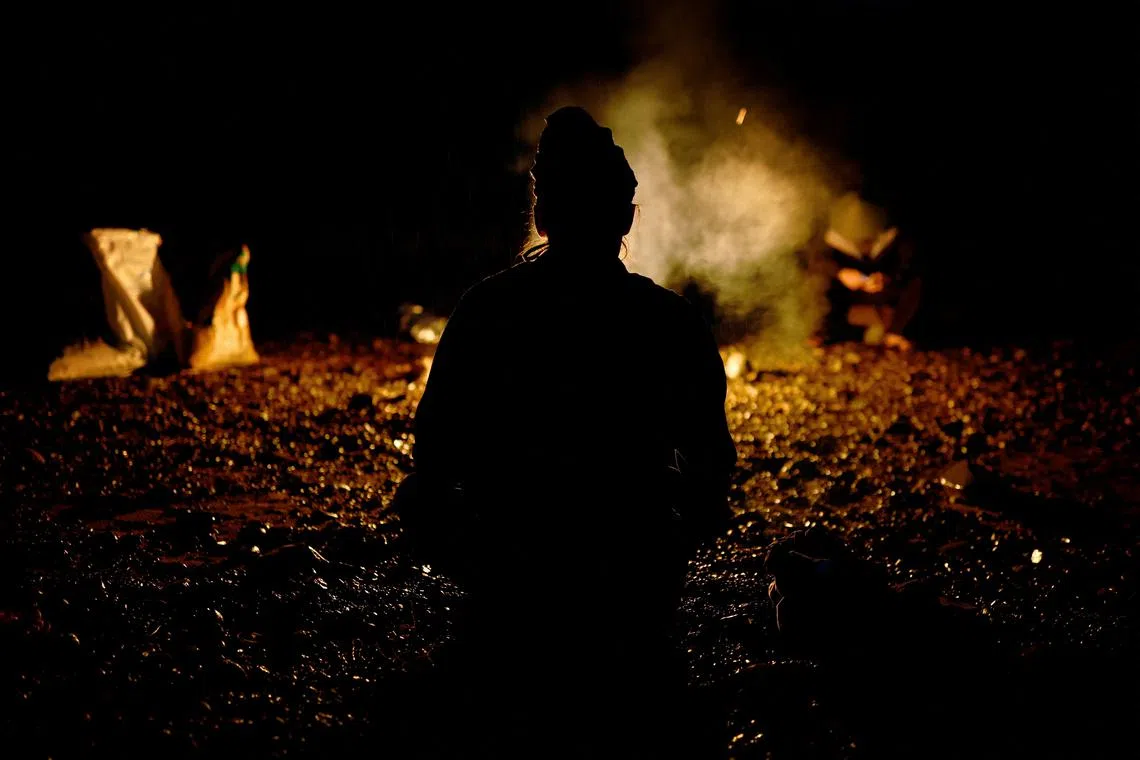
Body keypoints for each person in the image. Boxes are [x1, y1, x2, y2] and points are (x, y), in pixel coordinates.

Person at [397, 106, 736, 758]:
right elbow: (711, 461)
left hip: (511, 562)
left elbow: (434, 451)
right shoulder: (669, 321)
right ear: (627, 218)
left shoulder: (486, 310)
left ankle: (505, 636)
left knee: (418, 494)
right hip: (628, 568)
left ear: (542, 217)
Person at [808, 192, 922, 350]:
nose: (863, 245)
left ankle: (895, 333)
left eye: (867, 239)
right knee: (815, 280)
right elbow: (814, 260)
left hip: (881, 293)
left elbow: (908, 266)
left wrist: (888, 278)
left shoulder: (895, 237)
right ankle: (821, 331)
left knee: (915, 283)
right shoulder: (829, 238)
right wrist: (840, 273)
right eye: (857, 240)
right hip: (844, 296)